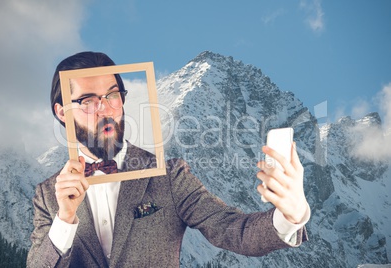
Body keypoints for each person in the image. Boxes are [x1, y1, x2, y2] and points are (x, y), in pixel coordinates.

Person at [27, 51, 310, 268]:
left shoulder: (169, 175)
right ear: (62, 112)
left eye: (112, 96)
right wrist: (64, 218)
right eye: (88, 101)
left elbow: (234, 230)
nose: (105, 110)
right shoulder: (48, 194)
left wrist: (290, 216)